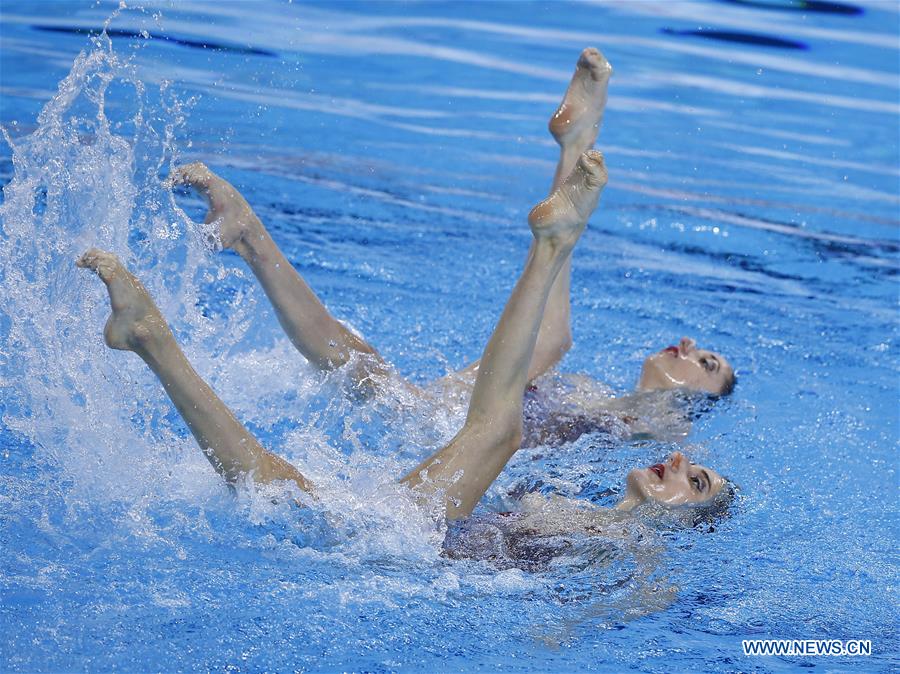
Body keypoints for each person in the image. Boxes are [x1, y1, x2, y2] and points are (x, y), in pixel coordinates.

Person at [77, 48, 730, 523]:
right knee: (336, 404)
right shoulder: (601, 420)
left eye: (707, 364)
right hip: (444, 492)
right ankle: (229, 251)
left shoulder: (668, 428)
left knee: (302, 474)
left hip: (440, 509)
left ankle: (168, 322)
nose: (687, 345)